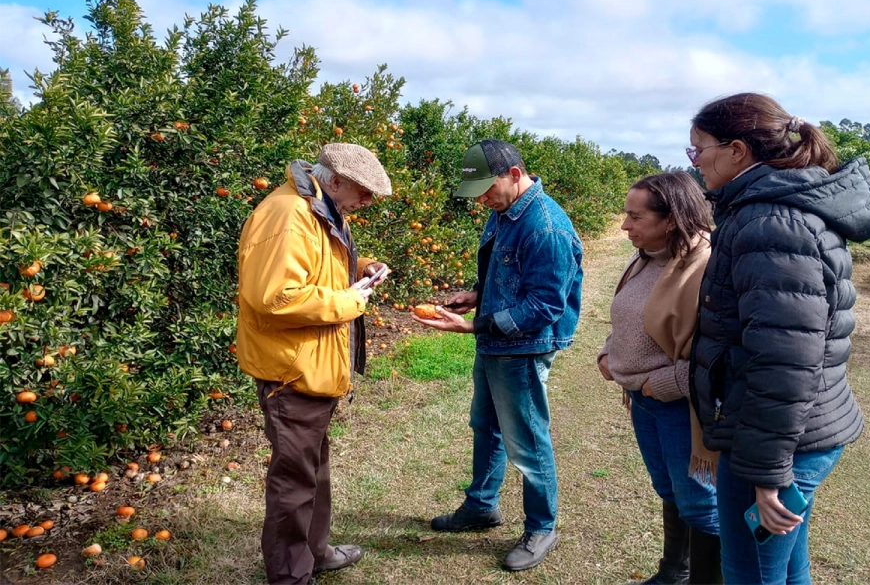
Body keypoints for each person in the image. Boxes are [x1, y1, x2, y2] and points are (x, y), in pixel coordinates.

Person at [687, 93, 870, 584]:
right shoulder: (765, 210)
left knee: (751, 572)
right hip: (789, 431)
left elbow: (785, 361)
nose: (694, 162)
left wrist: (769, 472)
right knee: (782, 565)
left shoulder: (770, 222)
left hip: (780, 441)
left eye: (699, 149)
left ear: (737, 151)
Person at [411, 139, 583, 572]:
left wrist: (474, 324)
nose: (483, 201)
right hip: (495, 343)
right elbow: (507, 275)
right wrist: (476, 294)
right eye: (478, 194)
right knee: (485, 426)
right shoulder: (504, 212)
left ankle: (542, 526)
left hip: (524, 348)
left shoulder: (546, 228)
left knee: (527, 440)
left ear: (514, 174)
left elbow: (545, 306)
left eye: (488, 190)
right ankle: (482, 506)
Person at [236, 143, 392, 585]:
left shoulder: (320, 207)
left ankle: (316, 552)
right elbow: (274, 298)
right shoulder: (288, 216)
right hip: (291, 371)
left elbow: (316, 267)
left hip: (312, 367)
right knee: (294, 481)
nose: (369, 203)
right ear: (337, 179)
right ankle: (290, 575)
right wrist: (348, 300)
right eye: (365, 193)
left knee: (313, 470)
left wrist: (361, 267)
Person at [597, 172, 722, 585]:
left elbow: (721, 350)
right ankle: (675, 571)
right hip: (644, 400)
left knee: (701, 504)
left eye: (635, 216)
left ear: (670, 219)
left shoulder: (705, 265)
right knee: (670, 489)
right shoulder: (646, 256)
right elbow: (630, 316)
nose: (624, 225)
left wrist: (668, 382)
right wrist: (609, 351)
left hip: (680, 406)